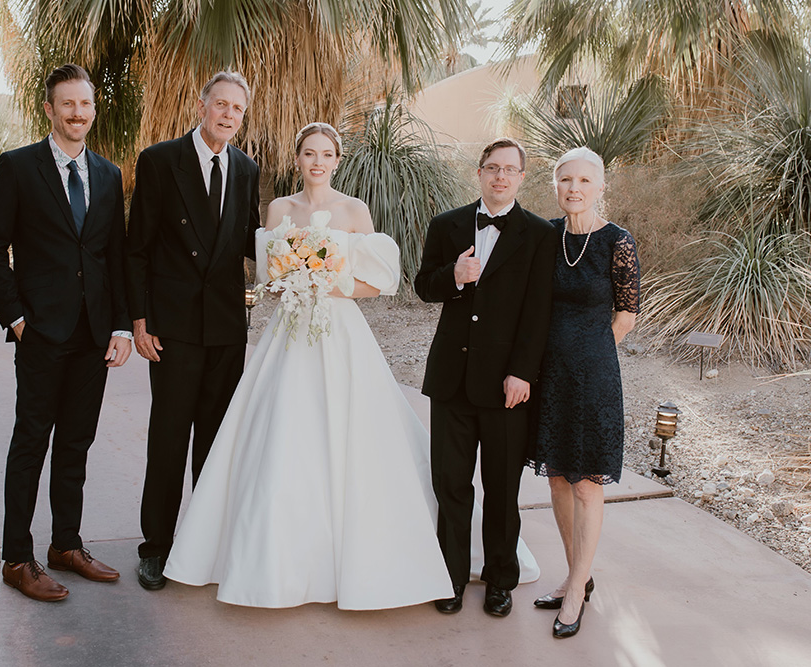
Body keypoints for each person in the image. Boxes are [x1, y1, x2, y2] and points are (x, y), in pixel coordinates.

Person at [162, 122, 456, 609]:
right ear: (297, 159)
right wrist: (295, 281)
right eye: (308, 153)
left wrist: (326, 282)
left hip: (339, 329)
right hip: (290, 332)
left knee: (351, 432)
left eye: (326, 154)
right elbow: (271, 278)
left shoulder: (354, 211)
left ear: (337, 160)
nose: (317, 161)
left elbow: (375, 282)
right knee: (281, 433)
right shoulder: (280, 210)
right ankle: (271, 562)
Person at [0, 64, 132, 602]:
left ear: (93, 109)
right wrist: (16, 318)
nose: (77, 114)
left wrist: (120, 326)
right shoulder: (18, 167)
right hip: (40, 333)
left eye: (85, 105)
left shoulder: (109, 175)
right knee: (30, 443)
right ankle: (17, 558)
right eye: (66, 104)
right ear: (49, 109)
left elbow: (115, 255)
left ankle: (65, 545)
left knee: (76, 442)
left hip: (93, 334)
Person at [125, 72, 262, 592]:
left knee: (214, 441)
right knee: (168, 440)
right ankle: (155, 549)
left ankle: (201, 547)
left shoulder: (247, 168)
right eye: (220, 104)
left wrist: (305, 251)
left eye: (237, 110)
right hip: (174, 328)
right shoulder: (161, 161)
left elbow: (251, 240)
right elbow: (137, 246)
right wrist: (139, 319)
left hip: (226, 328)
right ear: (202, 105)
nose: (228, 115)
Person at [415, 138, 556, 617]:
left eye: (509, 170)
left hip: (506, 388)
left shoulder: (539, 235)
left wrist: (522, 373)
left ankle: (500, 580)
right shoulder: (447, 225)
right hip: (451, 383)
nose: (500, 177)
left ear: (521, 177)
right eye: (492, 168)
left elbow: (538, 314)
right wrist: (453, 275)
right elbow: (422, 287)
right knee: (451, 486)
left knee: (501, 489)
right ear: (479, 172)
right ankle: (450, 579)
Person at [527, 146, 640, 638]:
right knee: (556, 479)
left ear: (600, 187)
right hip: (548, 375)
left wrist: (589, 352)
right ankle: (580, 574)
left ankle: (574, 590)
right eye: (565, 180)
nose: (574, 188)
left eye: (584, 181)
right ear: (555, 185)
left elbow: (627, 315)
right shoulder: (545, 236)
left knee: (585, 483)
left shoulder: (617, 242)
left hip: (593, 376)